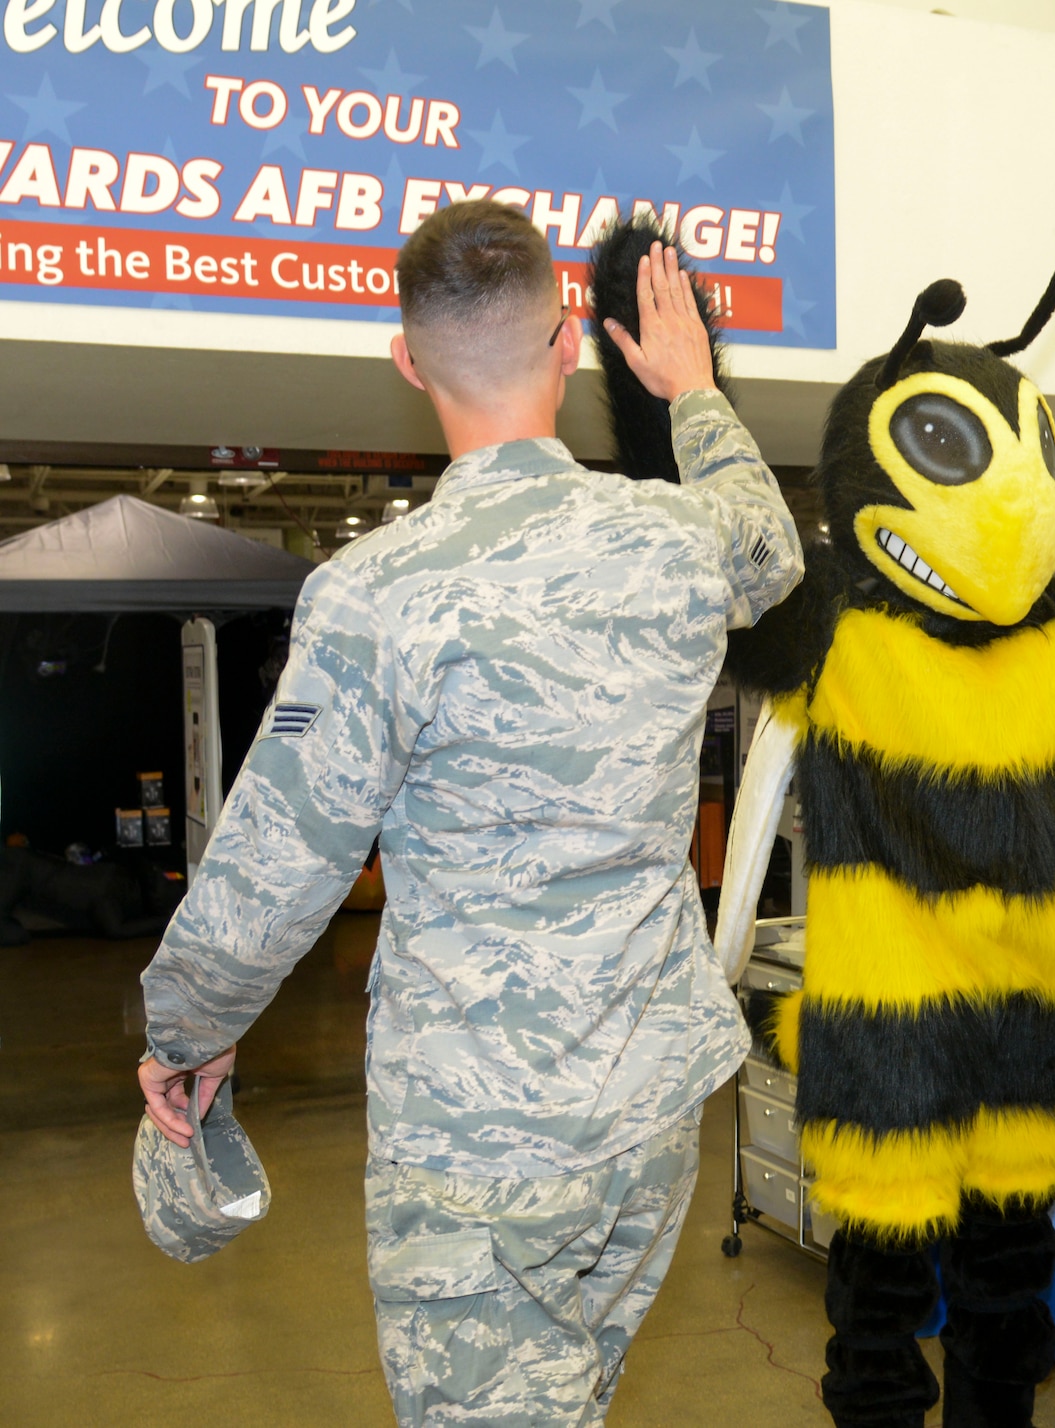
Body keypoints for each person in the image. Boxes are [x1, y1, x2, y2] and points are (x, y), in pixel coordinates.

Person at [136, 199, 802, 1426]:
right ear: (565, 341)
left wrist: (188, 1032)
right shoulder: (675, 539)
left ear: (405, 361)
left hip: (479, 1137)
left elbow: (278, 861)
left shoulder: (375, 594)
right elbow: (770, 549)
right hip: (653, 1112)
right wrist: (693, 391)